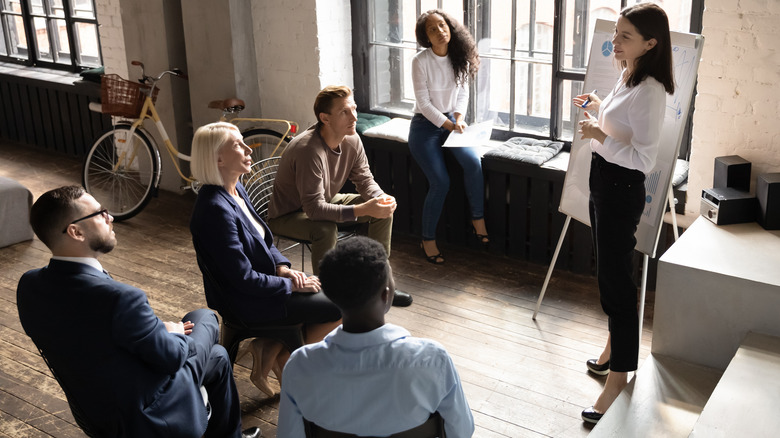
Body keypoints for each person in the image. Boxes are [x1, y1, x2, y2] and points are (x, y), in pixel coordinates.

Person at [16, 185, 261, 438]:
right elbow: (173, 357)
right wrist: (174, 332)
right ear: (76, 231)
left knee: (219, 357)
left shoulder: (29, 285)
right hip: (149, 416)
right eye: (100, 213)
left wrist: (154, 331)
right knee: (205, 317)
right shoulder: (120, 298)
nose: (110, 217)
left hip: (95, 412)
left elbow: (91, 337)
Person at [572, 3, 675, 424]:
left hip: (619, 188)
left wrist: (598, 133)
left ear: (651, 43)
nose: (614, 42)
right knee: (608, 275)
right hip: (604, 181)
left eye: (625, 36)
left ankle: (619, 380)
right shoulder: (628, 72)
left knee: (616, 283)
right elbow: (625, 126)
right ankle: (614, 349)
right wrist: (601, 106)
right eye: (616, 32)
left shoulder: (650, 89)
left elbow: (645, 160)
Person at [189, 122, 342, 398]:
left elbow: (265, 242)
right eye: (238, 144)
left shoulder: (235, 189)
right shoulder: (214, 210)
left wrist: (283, 268)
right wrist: (290, 286)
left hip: (265, 287)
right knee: (340, 306)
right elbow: (242, 279)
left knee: (332, 292)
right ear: (218, 158)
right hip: (246, 301)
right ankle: (284, 359)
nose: (249, 149)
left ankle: (270, 350)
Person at [277, 237, 474, 437]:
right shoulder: (433, 359)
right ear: (386, 294)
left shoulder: (300, 366)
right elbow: (462, 431)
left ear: (332, 297)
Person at [267, 85, 413, 307]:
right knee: (324, 227)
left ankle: (377, 282)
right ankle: (327, 295)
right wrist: (363, 209)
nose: (354, 116)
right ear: (325, 118)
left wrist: (380, 198)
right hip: (287, 215)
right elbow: (314, 210)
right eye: (345, 111)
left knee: (381, 211)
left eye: (354, 108)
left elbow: (364, 179)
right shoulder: (309, 150)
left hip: (322, 201)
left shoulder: (351, 138)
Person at [410, 9, 487, 265]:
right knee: (440, 182)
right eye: (432, 29)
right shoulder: (420, 61)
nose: (440, 31)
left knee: (473, 163)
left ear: (450, 28)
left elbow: (462, 93)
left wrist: (459, 118)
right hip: (424, 126)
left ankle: (478, 218)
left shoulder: (459, 57)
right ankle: (428, 239)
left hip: (452, 123)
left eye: (442, 25)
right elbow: (424, 103)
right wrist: (447, 124)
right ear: (425, 37)